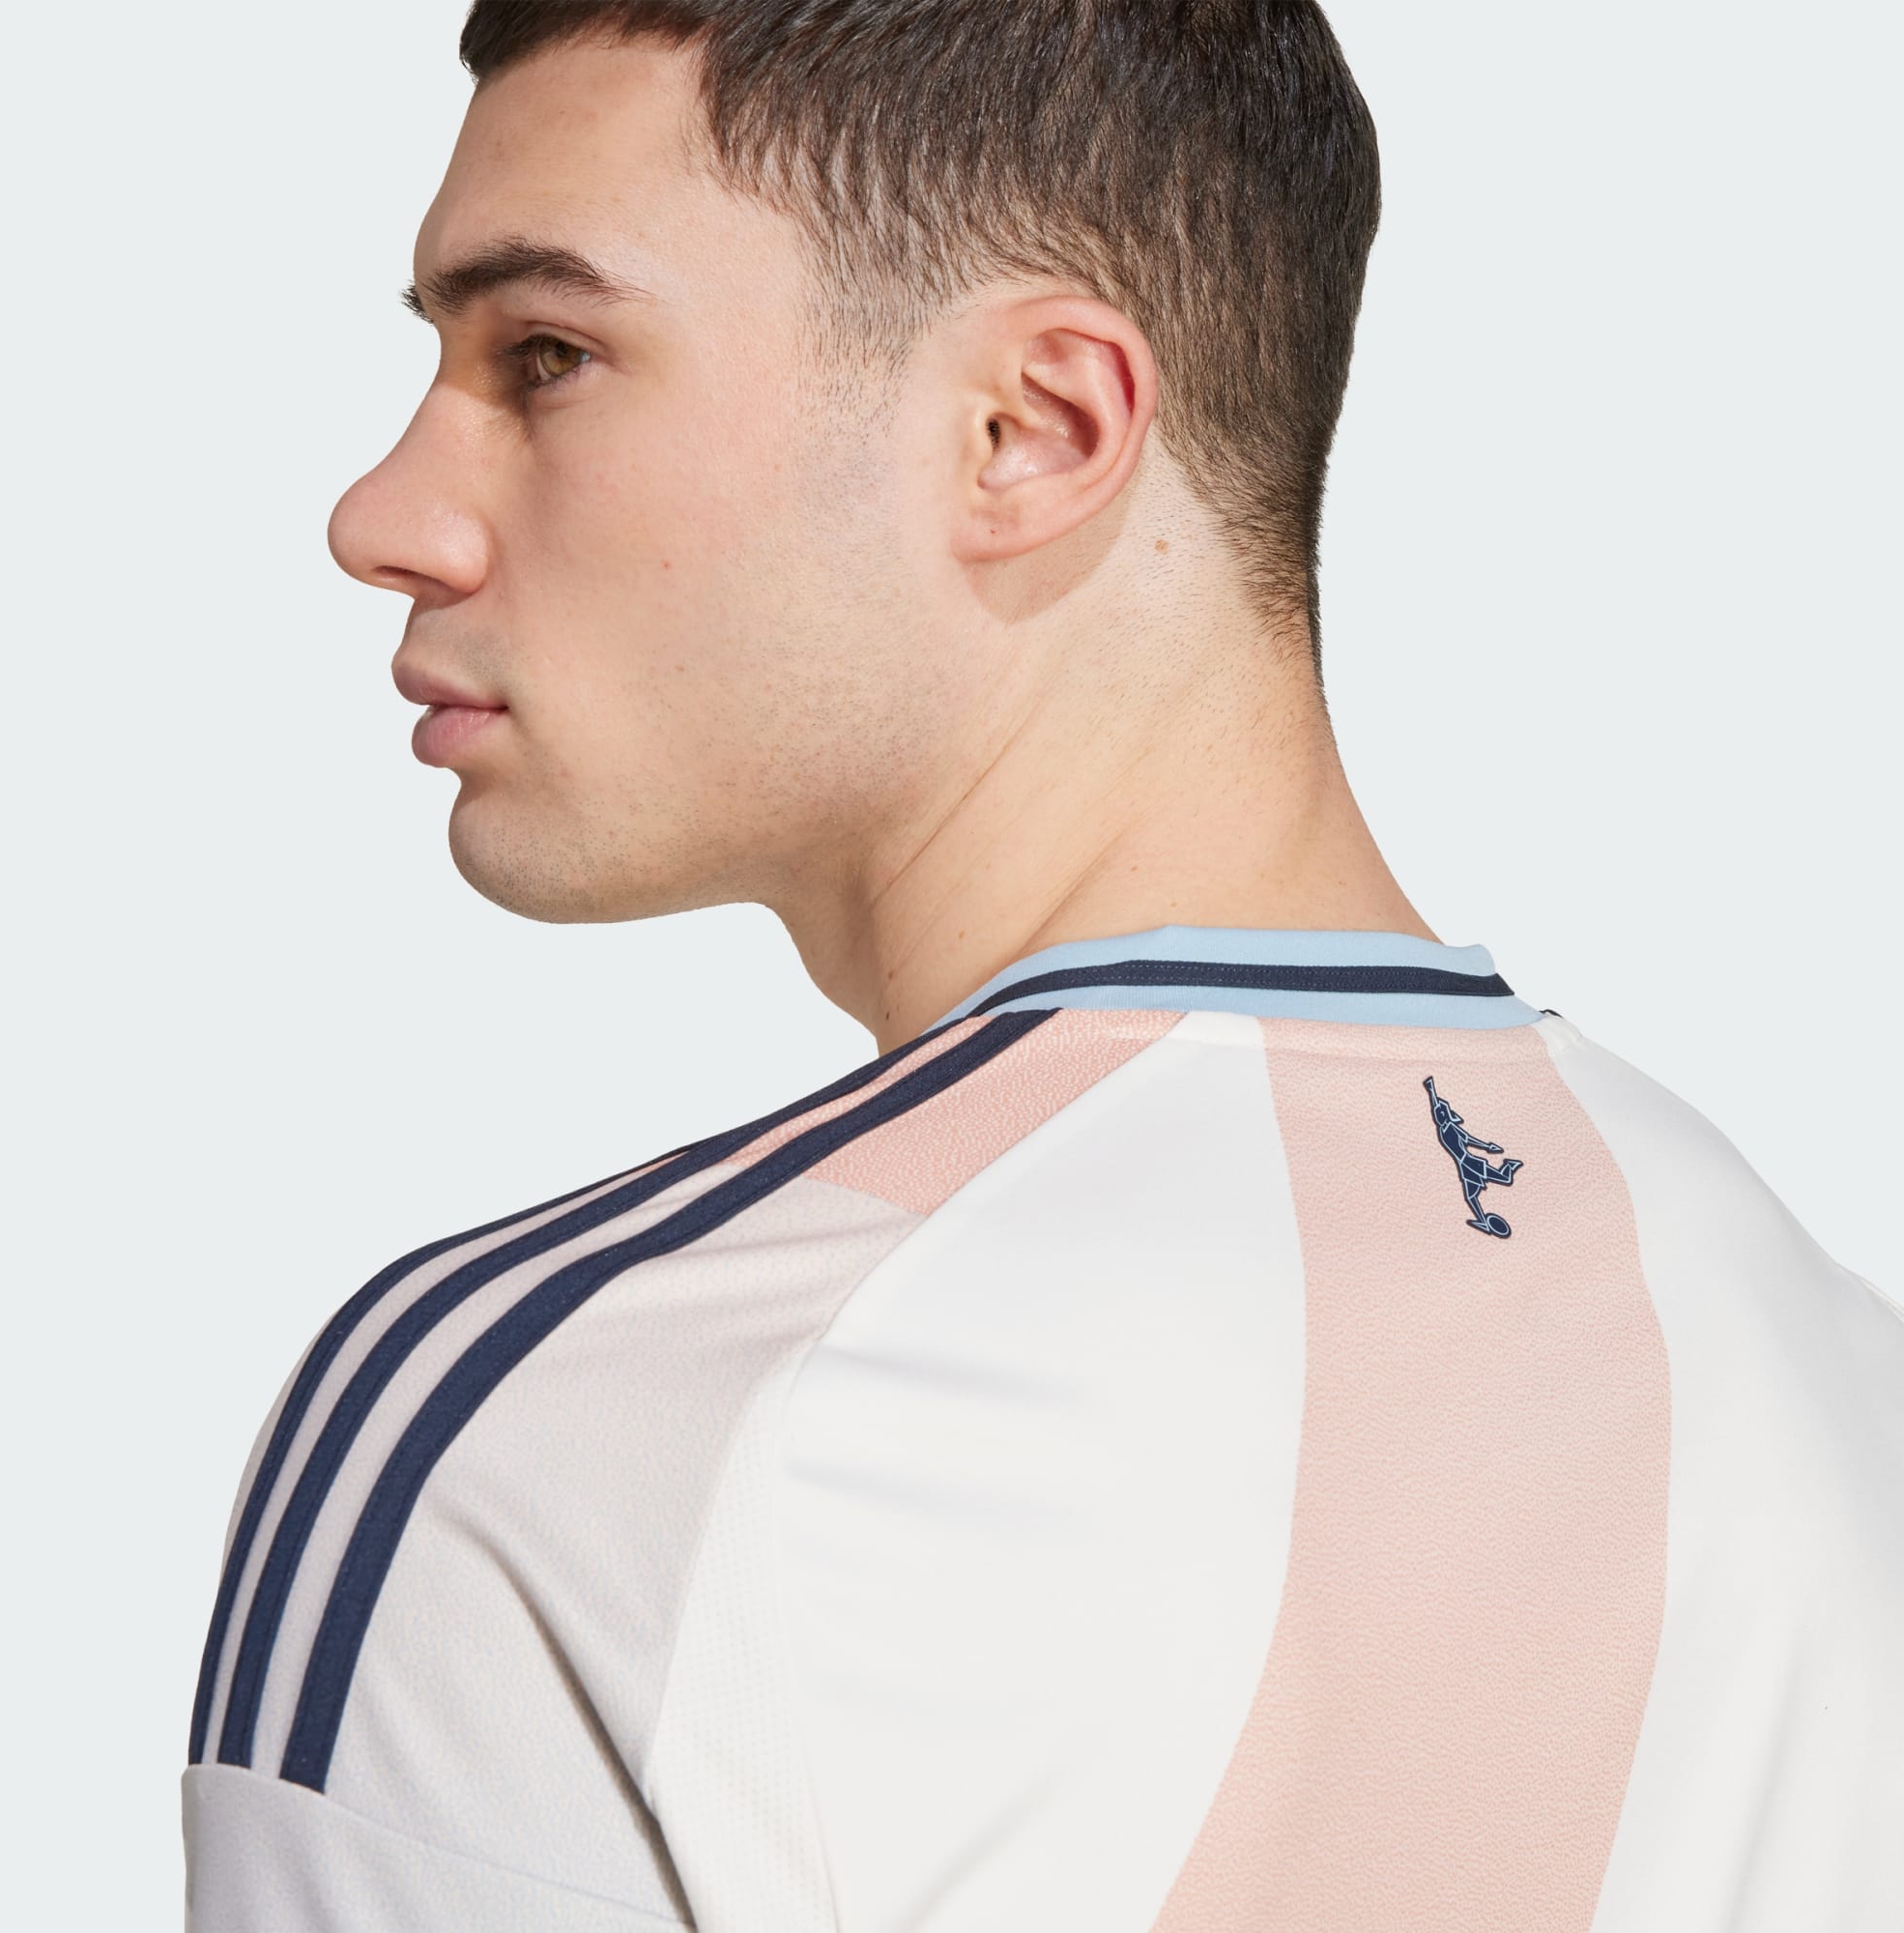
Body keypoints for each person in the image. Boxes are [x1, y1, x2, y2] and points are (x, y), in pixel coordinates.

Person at [181, 3, 1904, 1927]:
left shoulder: (576, 1423)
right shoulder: (1829, 1370)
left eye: (546, 357)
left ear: (1034, 429)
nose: (382, 518)